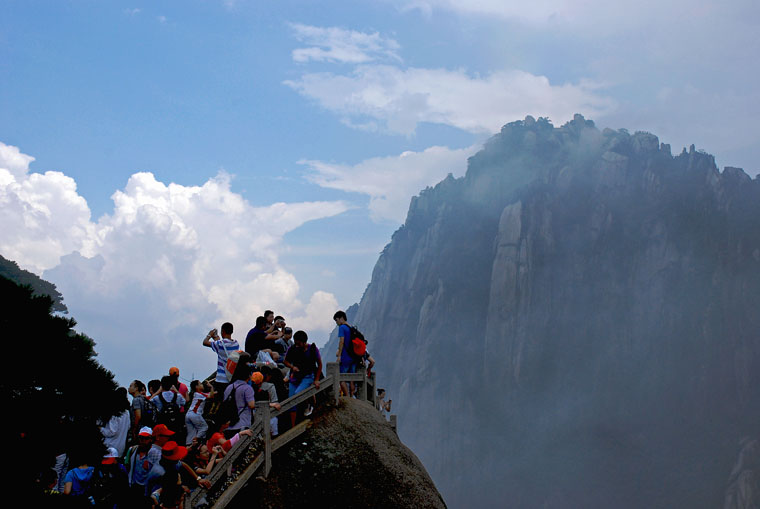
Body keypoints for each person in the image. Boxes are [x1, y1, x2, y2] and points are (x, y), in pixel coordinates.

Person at [283, 330, 322, 427]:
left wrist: (316, 379)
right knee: (291, 401)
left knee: (298, 394)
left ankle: (309, 405)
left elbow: (319, 364)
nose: (297, 345)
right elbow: (285, 361)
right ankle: (293, 426)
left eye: (298, 343)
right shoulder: (292, 349)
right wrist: (292, 367)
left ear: (304, 342)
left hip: (308, 376)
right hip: (295, 377)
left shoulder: (312, 349)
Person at [222, 352, 256, 438]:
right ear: (249, 375)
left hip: (229, 425)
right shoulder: (247, 388)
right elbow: (252, 405)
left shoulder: (229, 387)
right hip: (243, 425)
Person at [202, 322, 238, 399]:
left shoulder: (220, 344)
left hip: (221, 379)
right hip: (231, 377)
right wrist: (216, 336)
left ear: (223, 332)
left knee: (221, 400)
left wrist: (209, 335)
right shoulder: (235, 343)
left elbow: (205, 342)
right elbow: (220, 343)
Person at [334, 310, 357, 397]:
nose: (336, 323)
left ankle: (347, 397)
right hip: (353, 357)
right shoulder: (350, 328)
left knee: (341, 377)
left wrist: (339, 355)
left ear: (341, 318)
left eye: (336, 320)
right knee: (352, 378)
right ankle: (352, 396)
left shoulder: (342, 327)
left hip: (346, 357)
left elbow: (341, 341)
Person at [185, 380, 213, 446]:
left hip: (188, 414)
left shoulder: (196, 394)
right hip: (195, 414)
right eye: (200, 384)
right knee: (204, 427)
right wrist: (211, 387)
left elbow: (210, 394)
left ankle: (189, 445)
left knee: (191, 432)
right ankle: (198, 440)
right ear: (196, 387)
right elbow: (211, 396)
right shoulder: (200, 394)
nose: (202, 385)